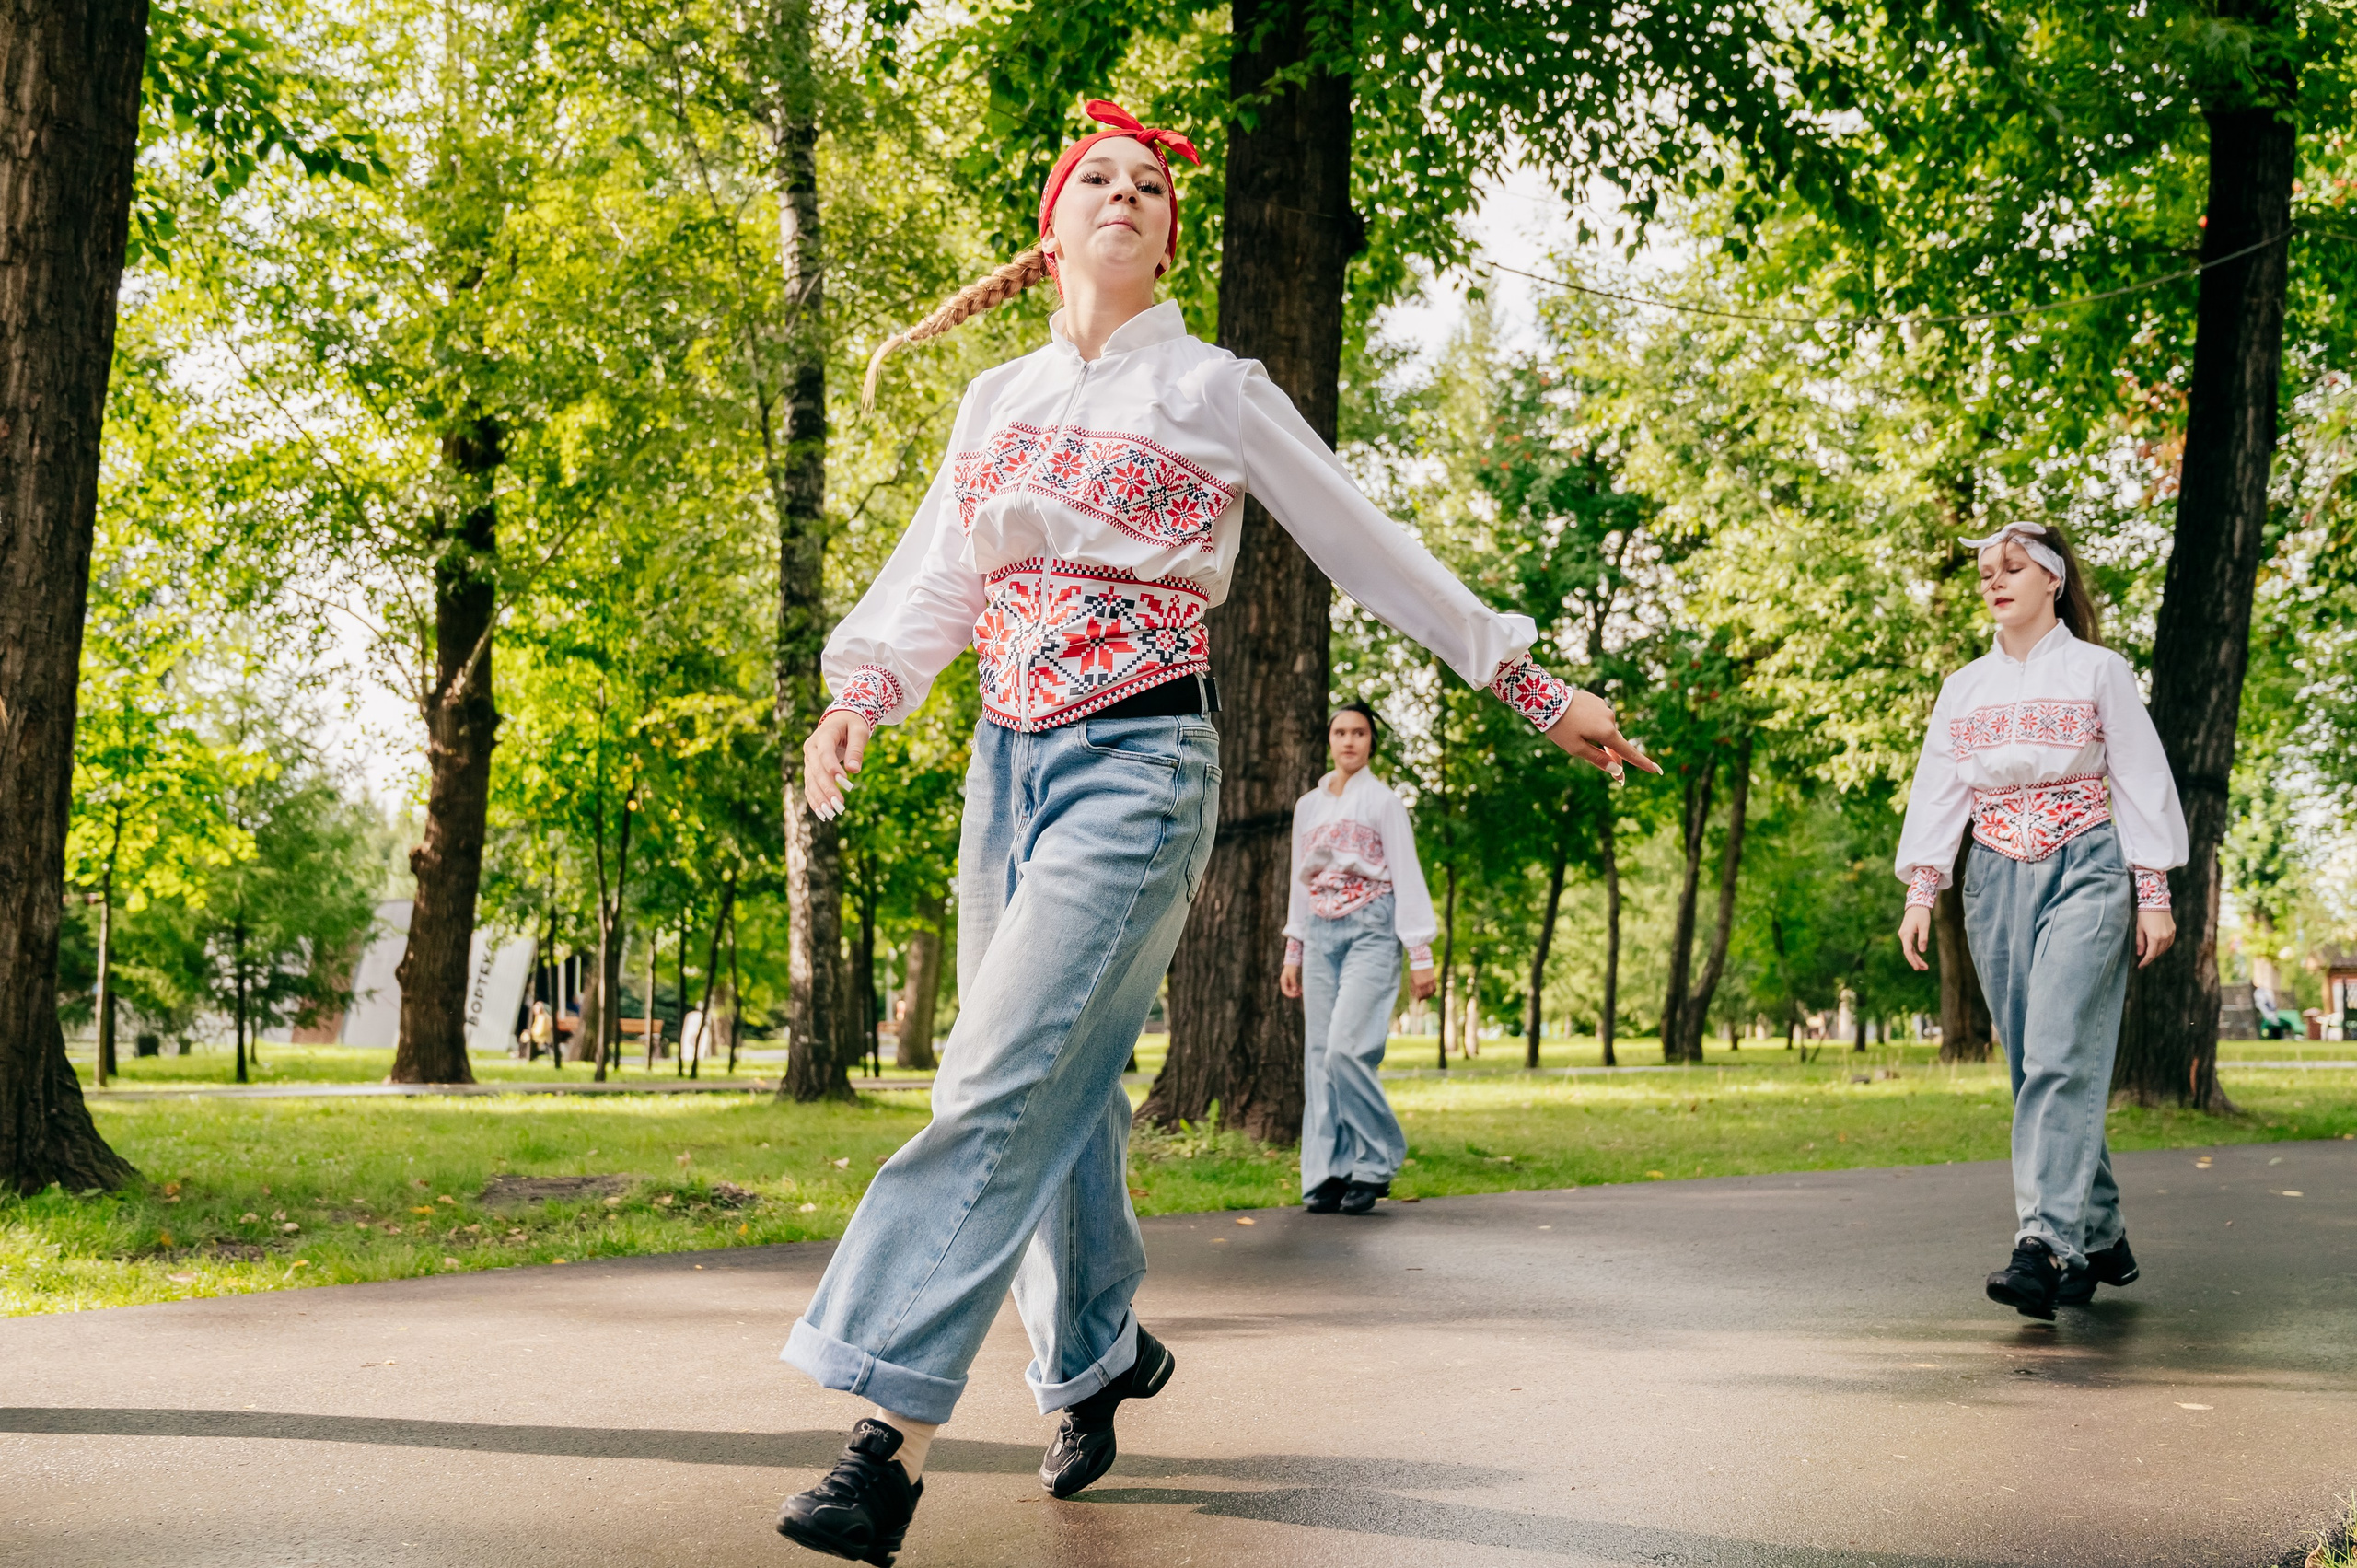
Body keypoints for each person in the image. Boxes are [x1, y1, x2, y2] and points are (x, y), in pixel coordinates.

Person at [775, 99, 1657, 1565]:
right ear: (1053, 228)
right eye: (1096, 180)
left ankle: (885, 1437)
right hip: (1007, 765)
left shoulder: (1215, 386)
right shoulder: (992, 399)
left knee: (993, 1077)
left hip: (1140, 761)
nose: (1125, 195)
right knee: (1050, 1086)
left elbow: (1372, 547)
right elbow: (935, 575)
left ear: (1169, 233)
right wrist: (858, 694)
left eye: (1149, 187)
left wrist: (1525, 676)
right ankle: (1102, 1347)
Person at [1895, 520, 2184, 1322]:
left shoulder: (2100, 671)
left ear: (2052, 579)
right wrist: (1924, 888)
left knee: (2059, 1053)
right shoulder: (1963, 687)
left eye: (2012, 567)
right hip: (1992, 873)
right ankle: (2102, 1233)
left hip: (2088, 865)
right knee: (2033, 1067)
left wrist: (2151, 888)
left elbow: (2138, 775)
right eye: (1987, 571)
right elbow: (1939, 792)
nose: (1994, 580)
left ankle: (2044, 1244)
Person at [1279, 701, 1435, 1215]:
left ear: (1371, 742)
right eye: (1341, 732)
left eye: (1360, 733)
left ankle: (1377, 1160)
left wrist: (1420, 954)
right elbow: (1300, 884)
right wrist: (1293, 950)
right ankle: (1330, 1171)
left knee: (1348, 1049)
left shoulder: (1384, 802)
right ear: (1329, 739)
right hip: (1321, 934)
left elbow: (1408, 875)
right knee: (1320, 1058)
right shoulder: (1309, 806)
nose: (1349, 741)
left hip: (1371, 929)